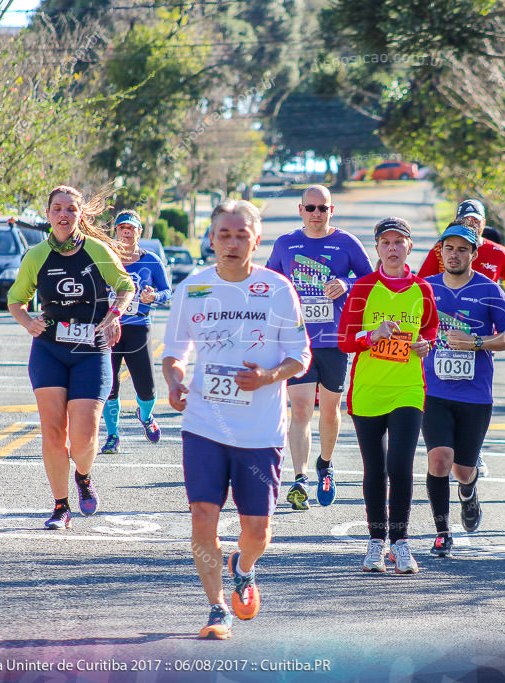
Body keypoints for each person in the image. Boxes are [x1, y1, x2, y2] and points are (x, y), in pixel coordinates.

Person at [162, 200, 310, 640]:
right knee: (203, 515)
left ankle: (243, 568)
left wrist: (269, 376)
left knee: (257, 532)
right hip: (204, 424)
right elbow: (174, 353)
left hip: (260, 429)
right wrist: (174, 381)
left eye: (241, 234)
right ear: (210, 239)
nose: (231, 242)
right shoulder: (193, 289)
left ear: (256, 239)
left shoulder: (279, 289)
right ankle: (216, 607)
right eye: (223, 234)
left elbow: (300, 356)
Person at [7, 185, 135, 530]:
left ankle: (83, 474)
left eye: (71, 210)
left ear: (80, 215)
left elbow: (126, 287)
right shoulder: (35, 256)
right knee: (52, 431)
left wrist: (114, 315)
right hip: (49, 349)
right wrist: (27, 321)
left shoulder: (97, 250)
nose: (64, 215)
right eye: (57, 209)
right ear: (48, 214)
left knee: (83, 437)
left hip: (91, 350)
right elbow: (16, 300)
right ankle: (60, 506)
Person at [339, 216, 438, 574]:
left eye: (399, 242)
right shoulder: (363, 288)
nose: (393, 249)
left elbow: (430, 328)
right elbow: (344, 339)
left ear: (409, 246)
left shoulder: (423, 289)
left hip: (408, 388)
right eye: (386, 243)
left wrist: (428, 344)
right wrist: (373, 335)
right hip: (368, 390)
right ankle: (375, 542)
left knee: (401, 465)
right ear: (377, 249)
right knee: (375, 469)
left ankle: (401, 542)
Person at [266, 185, 373, 510]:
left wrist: (347, 284)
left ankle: (325, 463)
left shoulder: (346, 243)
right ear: (300, 210)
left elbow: (371, 280)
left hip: (335, 342)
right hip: (298, 342)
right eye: (310, 208)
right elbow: (271, 282)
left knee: (329, 411)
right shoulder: (286, 243)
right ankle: (299, 478)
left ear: (331, 211)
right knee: (299, 410)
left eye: (322, 208)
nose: (316, 214)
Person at [422, 224, 505, 557]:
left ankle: (468, 491)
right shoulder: (426, 289)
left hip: (475, 394)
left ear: (474, 255)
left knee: (463, 469)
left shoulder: (489, 290)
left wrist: (477, 342)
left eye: (463, 249)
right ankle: (442, 532)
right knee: (439, 460)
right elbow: (409, 329)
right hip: (433, 391)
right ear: (441, 252)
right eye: (449, 248)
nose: (455, 254)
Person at [418, 199, 505, 477]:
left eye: (476, 220)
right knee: (438, 461)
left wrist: (504, 304)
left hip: (478, 370)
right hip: (435, 380)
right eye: (467, 219)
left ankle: (472, 460)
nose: (472, 223)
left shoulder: (497, 254)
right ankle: (442, 521)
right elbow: (420, 287)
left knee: (464, 469)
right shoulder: (441, 253)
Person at [100, 210, 172, 454]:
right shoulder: (106, 258)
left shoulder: (151, 260)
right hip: (110, 327)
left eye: (131, 228)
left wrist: (154, 296)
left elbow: (167, 292)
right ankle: (112, 436)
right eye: (122, 228)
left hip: (139, 327)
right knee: (110, 385)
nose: (126, 232)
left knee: (147, 388)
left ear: (140, 232)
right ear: (116, 231)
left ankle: (146, 414)